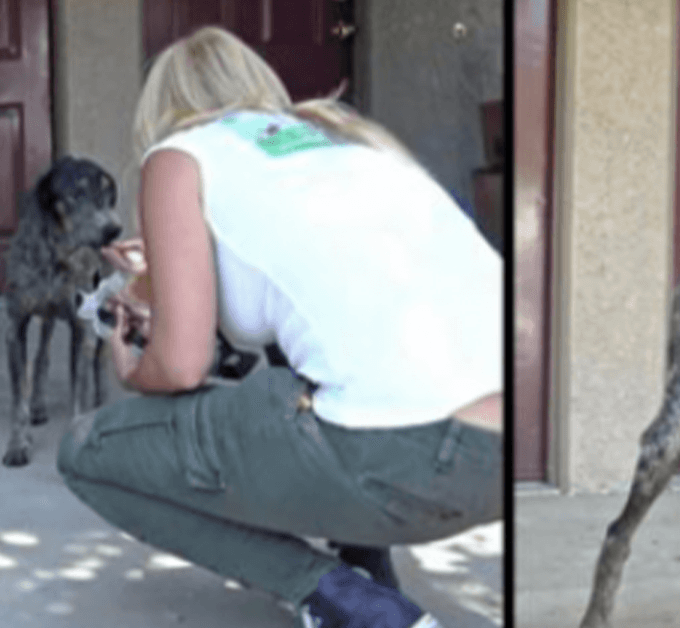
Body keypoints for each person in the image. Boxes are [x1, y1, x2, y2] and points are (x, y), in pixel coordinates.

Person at [55, 26, 502, 628]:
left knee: (89, 452)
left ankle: (343, 602)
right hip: (504, 451)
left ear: (162, 109)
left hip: (405, 458)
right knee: (301, 373)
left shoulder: (177, 157)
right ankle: (369, 568)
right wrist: (158, 279)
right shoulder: (342, 139)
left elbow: (183, 366)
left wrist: (137, 369)